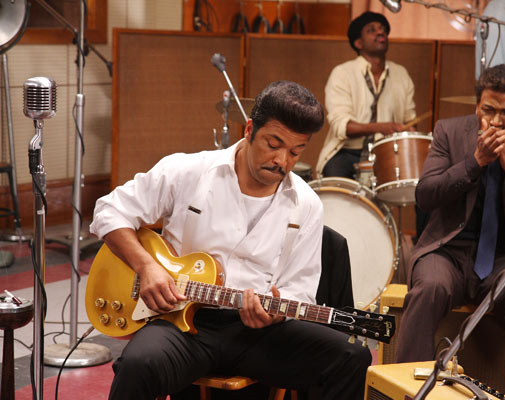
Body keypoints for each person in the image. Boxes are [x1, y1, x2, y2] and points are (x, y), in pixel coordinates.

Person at [89, 80, 372, 400]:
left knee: (351, 357)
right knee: (138, 365)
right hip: (181, 322)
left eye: (295, 151)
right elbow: (109, 212)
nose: (282, 160)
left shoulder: (306, 204)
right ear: (250, 129)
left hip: (256, 335)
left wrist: (276, 312)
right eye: (273, 144)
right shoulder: (189, 171)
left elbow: (301, 290)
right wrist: (146, 267)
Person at [395, 64, 505, 399]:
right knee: (430, 288)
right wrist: (475, 162)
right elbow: (425, 195)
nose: (497, 121)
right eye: (488, 110)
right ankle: (407, 392)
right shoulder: (449, 131)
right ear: (477, 107)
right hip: (447, 252)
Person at [316, 11, 416, 179]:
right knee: (335, 183)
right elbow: (342, 126)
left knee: (416, 181)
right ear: (358, 43)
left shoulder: (401, 74)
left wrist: (409, 129)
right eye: (371, 30)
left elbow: (409, 120)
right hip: (346, 151)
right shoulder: (342, 73)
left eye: (382, 29)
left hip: (387, 152)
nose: (380, 32)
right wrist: (381, 127)